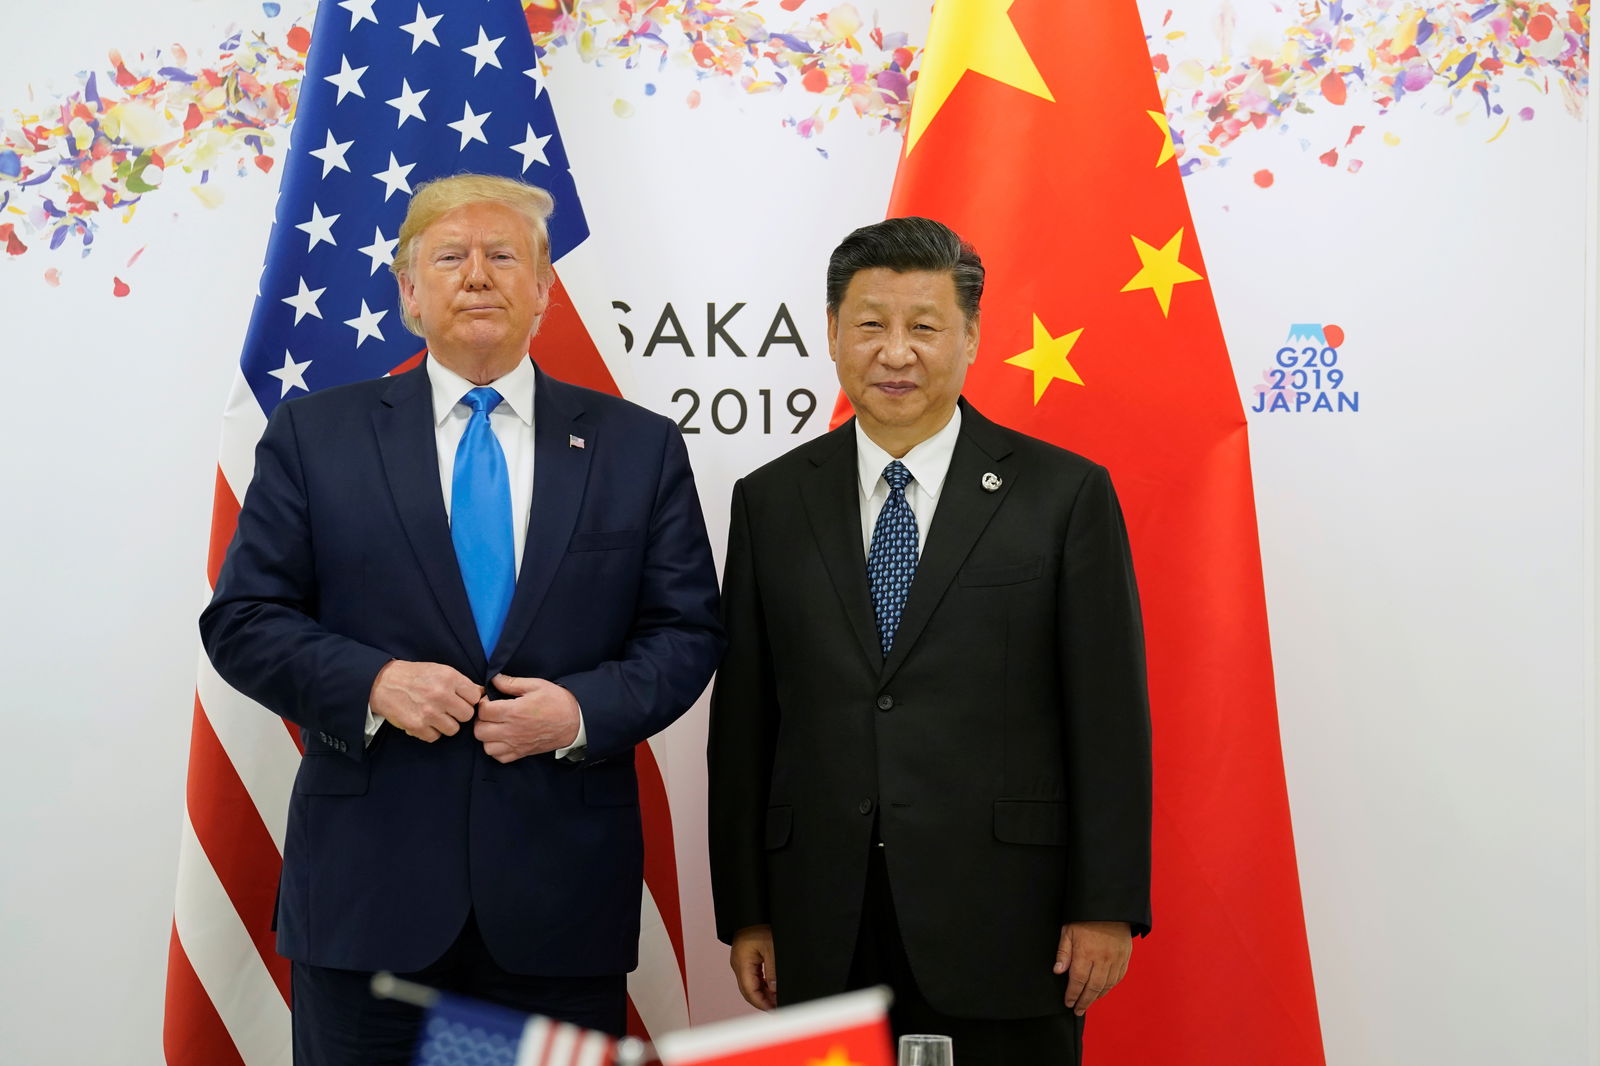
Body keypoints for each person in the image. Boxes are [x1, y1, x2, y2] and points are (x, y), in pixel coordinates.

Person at [202, 173, 724, 1065]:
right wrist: (372, 683)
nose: (477, 275)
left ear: (544, 290)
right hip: (369, 904)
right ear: (409, 290)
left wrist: (582, 712)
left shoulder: (637, 446)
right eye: (450, 256)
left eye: (502, 256)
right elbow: (244, 619)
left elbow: (686, 634)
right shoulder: (312, 435)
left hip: (558, 908)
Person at [706, 216, 1151, 1065]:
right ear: (832, 333)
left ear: (973, 337)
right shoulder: (769, 502)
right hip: (825, 916)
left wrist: (1106, 903)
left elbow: (1109, 717)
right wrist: (751, 909)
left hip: (1009, 918)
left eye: (925, 326)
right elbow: (747, 723)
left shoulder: (1063, 495)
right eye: (870, 324)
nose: (896, 352)